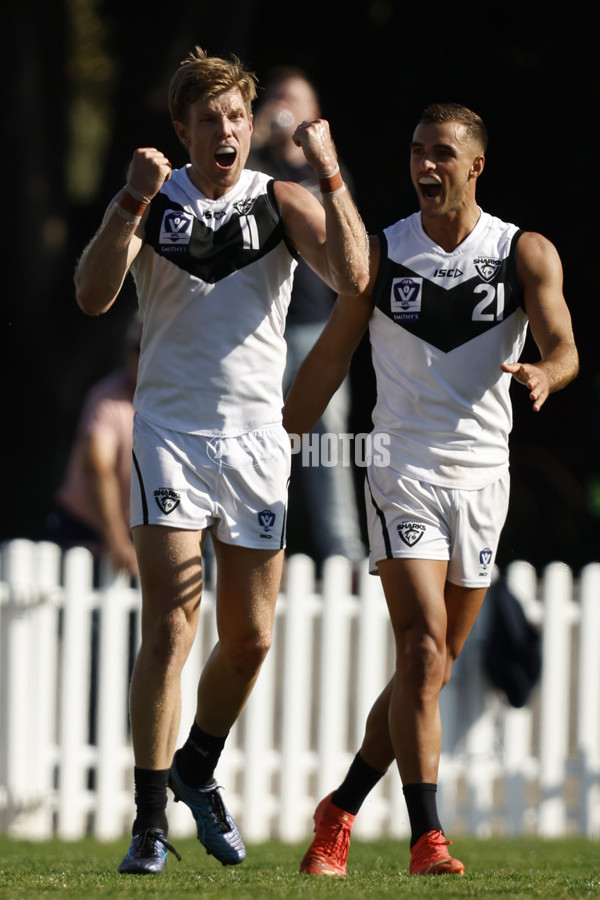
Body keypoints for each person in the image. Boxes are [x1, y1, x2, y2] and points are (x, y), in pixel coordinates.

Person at [74, 46, 369, 875]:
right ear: (184, 130)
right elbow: (93, 293)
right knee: (170, 621)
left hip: (256, 440)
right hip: (168, 430)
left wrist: (333, 174)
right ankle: (148, 818)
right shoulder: (154, 202)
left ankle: (198, 767)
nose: (228, 131)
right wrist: (130, 195)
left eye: (237, 117)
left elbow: (355, 274)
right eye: (211, 120)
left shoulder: (281, 199)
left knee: (250, 638)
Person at [283, 102, 578, 877]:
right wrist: (278, 431)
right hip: (401, 467)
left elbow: (566, 347)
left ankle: (339, 807)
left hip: (485, 477)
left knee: (434, 664)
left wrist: (547, 371)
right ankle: (427, 836)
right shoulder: (382, 255)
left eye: (442, 153)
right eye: (417, 151)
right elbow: (329, 361)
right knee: (418, 646)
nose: (425, 165)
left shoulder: (524, 252)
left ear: (475, 165)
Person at [247, 67, 365, 568]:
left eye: (292, 99)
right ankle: (243, 546)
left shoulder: (328, 175)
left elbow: (350, 245)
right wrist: (256, 133)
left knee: (327, 446)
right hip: (259, 333)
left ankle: (344, 554)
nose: (281, 105)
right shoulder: (253, 170)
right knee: (250, 439)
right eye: (274, 98)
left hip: (318, 330)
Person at [47, 312, 142, 579]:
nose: (141, 358)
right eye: (136, 348)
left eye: (150, 349)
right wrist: (116, 538)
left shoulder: (177, 405)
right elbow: (98, 468)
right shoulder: (107, 398)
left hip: (136, 535)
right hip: (83, 528)